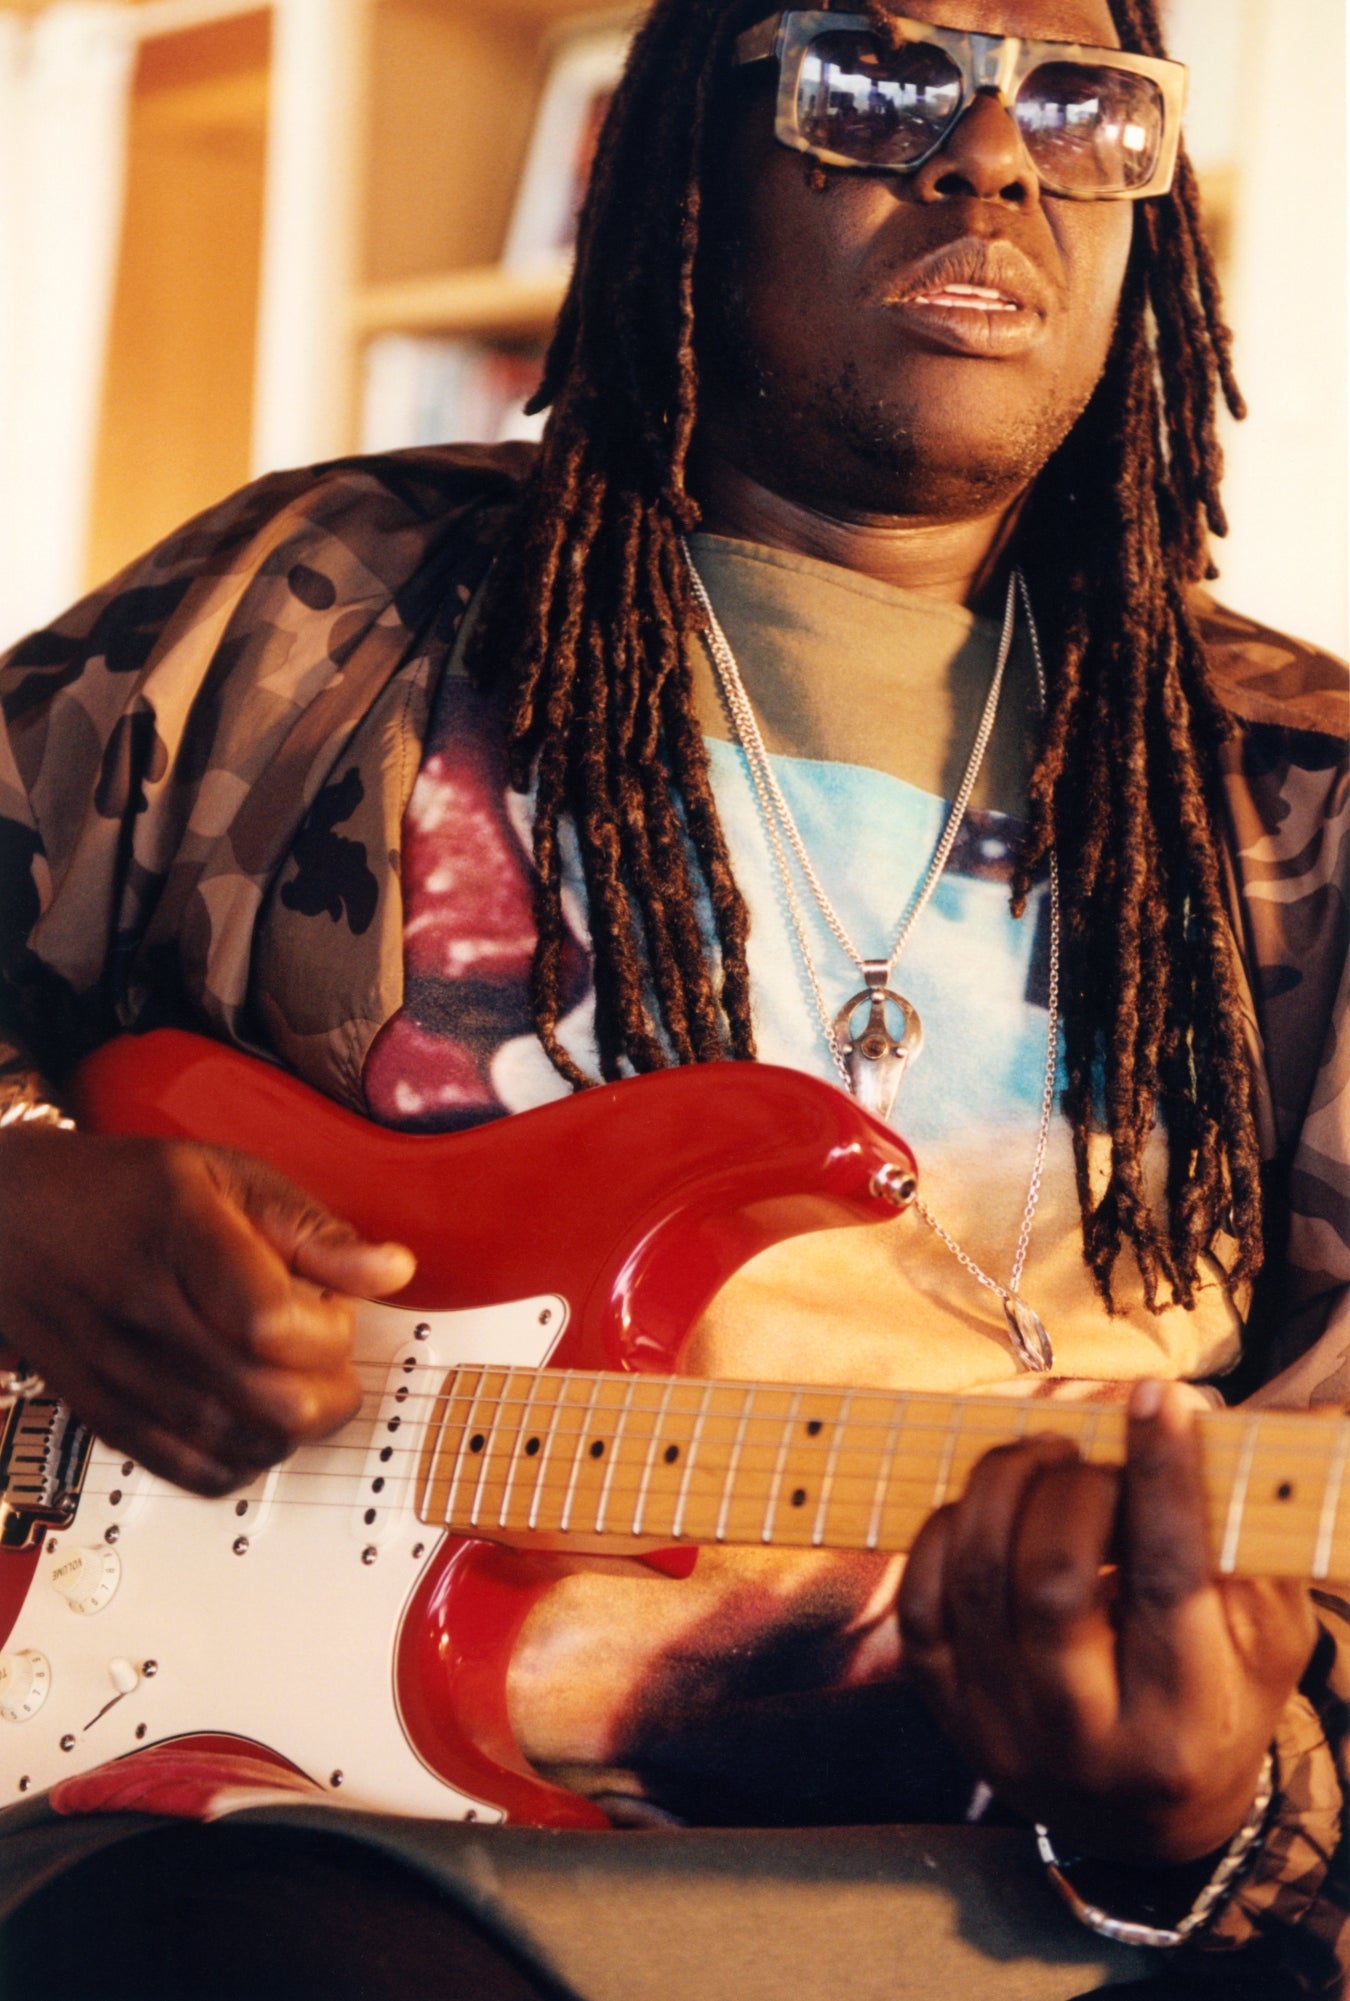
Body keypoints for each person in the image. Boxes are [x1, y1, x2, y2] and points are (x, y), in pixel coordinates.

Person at [0, 0, 1346, 1994]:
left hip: (1019, 1919)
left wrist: (1201, 1802)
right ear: (678, 163)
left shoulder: (1292, 789)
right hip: (266, 1826)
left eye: (1080, 103)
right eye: (879, 80)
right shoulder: (321, 606)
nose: (993, 162)